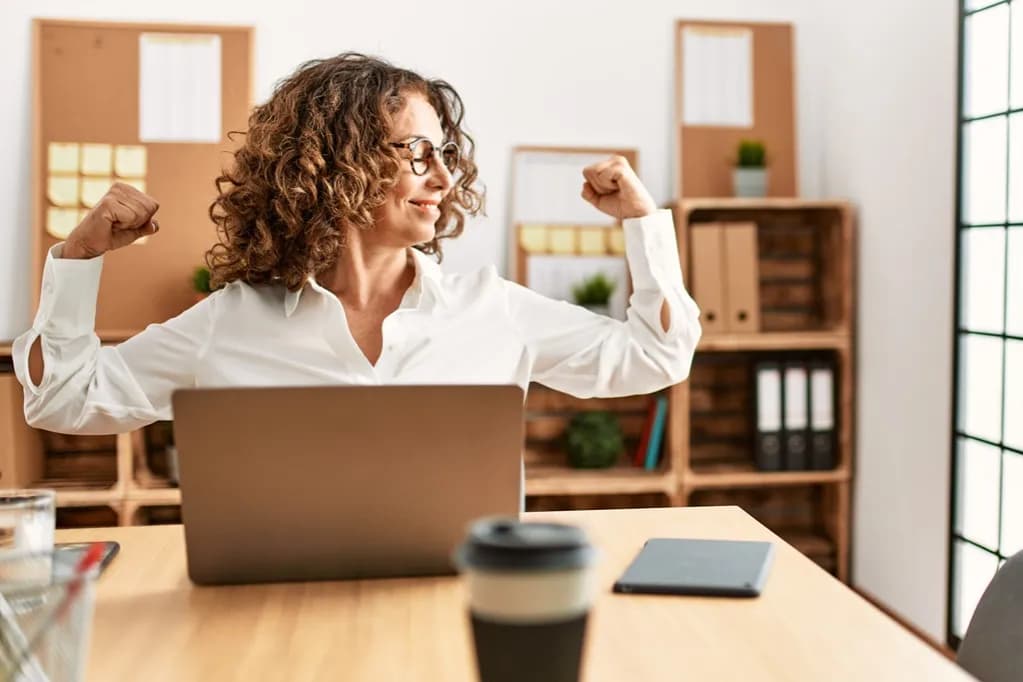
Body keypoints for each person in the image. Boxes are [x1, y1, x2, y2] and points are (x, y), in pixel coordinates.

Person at [13, 53, 701, 435]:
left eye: (446, 152)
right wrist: (77, 261)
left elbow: (655, 357)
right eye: (418, 151)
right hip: (283, 618)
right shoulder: (231, 323)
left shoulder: (493, 311)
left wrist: (643, 222)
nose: (441, 174)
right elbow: (62, 400)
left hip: (450, 614)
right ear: (334, 162)